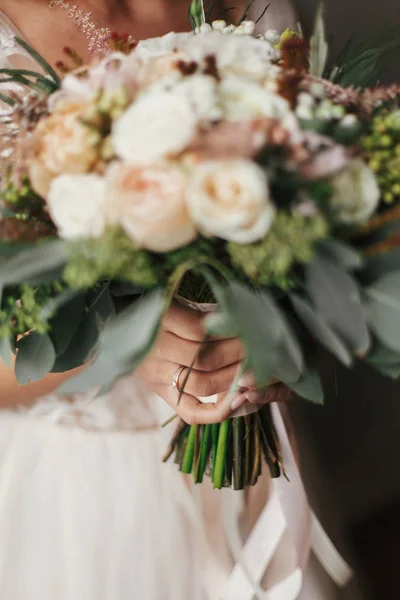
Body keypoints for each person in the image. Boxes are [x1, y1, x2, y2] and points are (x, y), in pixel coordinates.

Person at [0, 1, 352, 599]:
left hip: (253, 471)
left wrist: (280, 328)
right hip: (80, 503)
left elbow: (325, 225)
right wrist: (124, 340)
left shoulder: (251, 10)